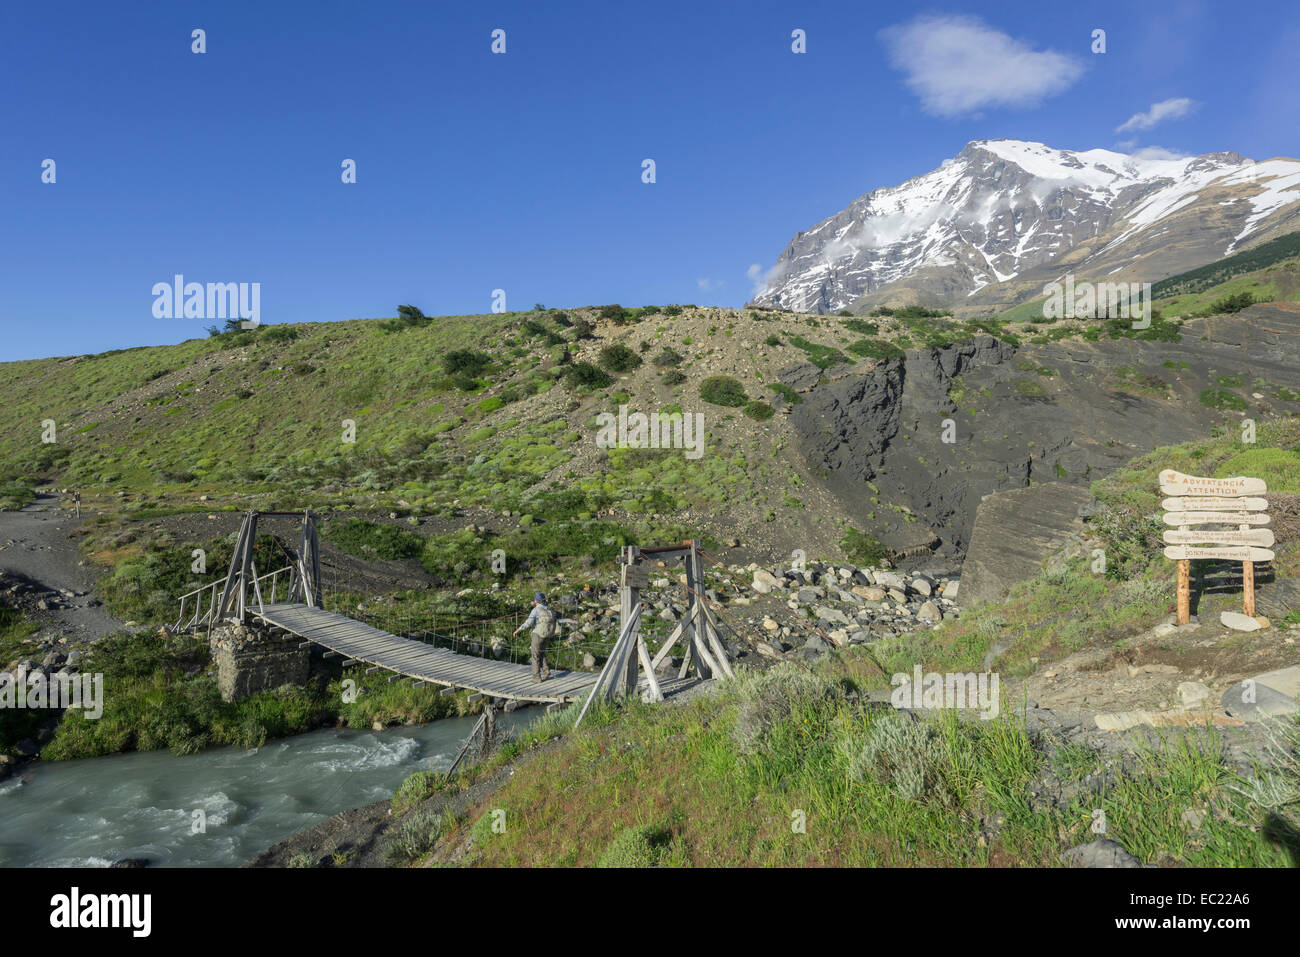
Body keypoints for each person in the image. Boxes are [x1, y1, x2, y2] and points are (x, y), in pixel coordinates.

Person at [513, 592, 557, 682]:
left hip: (537, 634)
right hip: (547, 635)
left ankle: (536, 677)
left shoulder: (536, 610)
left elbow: (528, 623)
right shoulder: (549, 609)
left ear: (536, 601)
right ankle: (546, 671)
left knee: (535, 655)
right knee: (541, 653)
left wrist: (518, 630)